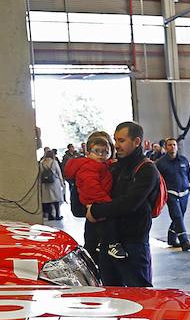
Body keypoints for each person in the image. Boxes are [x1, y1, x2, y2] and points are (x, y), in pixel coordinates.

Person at [87, 121, 161, 287]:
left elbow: (129, 203)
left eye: (121, 140)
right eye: (115, 140)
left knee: (141, 297)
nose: (116, 145)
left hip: (133, 244)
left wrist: (96, 211)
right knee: (112, 298)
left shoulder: (147, 170)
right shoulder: (113, 167)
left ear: (136, 142)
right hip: (108, 244)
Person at [63, 131, 125, 259]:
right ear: (89, 152)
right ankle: (109, 245)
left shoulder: (105, 166)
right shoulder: (88, 167)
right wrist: (107, 203)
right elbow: (90, 190)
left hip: (97, 211)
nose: (101, 155)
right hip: (97, 207)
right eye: (97, 151)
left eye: (105, 152)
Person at [155, 137, 190, 251]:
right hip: (170, 194)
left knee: (179, 217)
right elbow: (157, 180)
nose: (172, 147)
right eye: (170, 145)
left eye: (174, 145)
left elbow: (188, 175)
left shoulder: (184, 160)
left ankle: (171, 238)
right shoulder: (160, 163)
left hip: (185, 193)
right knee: (177, 216)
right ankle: (184, 241)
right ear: (166, 147)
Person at [39, 147, 64, 221]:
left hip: (45, 183)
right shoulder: (54, 162)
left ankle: (50, 215)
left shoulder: (41, 162)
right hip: (54, 182)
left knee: (47, 200)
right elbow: (58, 173)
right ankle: (57, 215)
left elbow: (40, 173)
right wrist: (62, 183)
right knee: (56, 199)